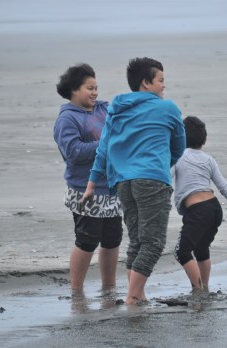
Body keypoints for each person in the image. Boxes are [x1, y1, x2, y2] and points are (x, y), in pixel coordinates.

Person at [79, 57, 186, 305]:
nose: (163, 86)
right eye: (160, 81)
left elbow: (103, 149)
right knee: (154, 242)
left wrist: (92, 184)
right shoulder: (167, 107)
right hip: (152, 180)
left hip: (123, 183)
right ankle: (133, 296)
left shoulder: (117, 107)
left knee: (137, 240)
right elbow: (179, 145)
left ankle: (138, 294)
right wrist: (160, 164)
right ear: (146, 82)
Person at [53, 63, 123, 294]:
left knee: (113, 239)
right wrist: (105, 144)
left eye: (96, 88)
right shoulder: (67, 119)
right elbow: (73, 153)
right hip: (84, 189)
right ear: (74, 90)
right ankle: (76, 291)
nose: (94, 93)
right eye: (89, 88)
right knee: (87, 239)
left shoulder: (105, 110)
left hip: (111, 187)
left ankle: (109, 287)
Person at [171, 116, 227, 291]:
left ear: (180, 137)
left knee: (181, 252)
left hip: (197, 211)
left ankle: (198, 288)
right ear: (205, 140)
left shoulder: (177, 156)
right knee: (201, 248)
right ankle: (205, 287)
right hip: (214, 209)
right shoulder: (209, 159)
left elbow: (166, 178)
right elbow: (223, 185)